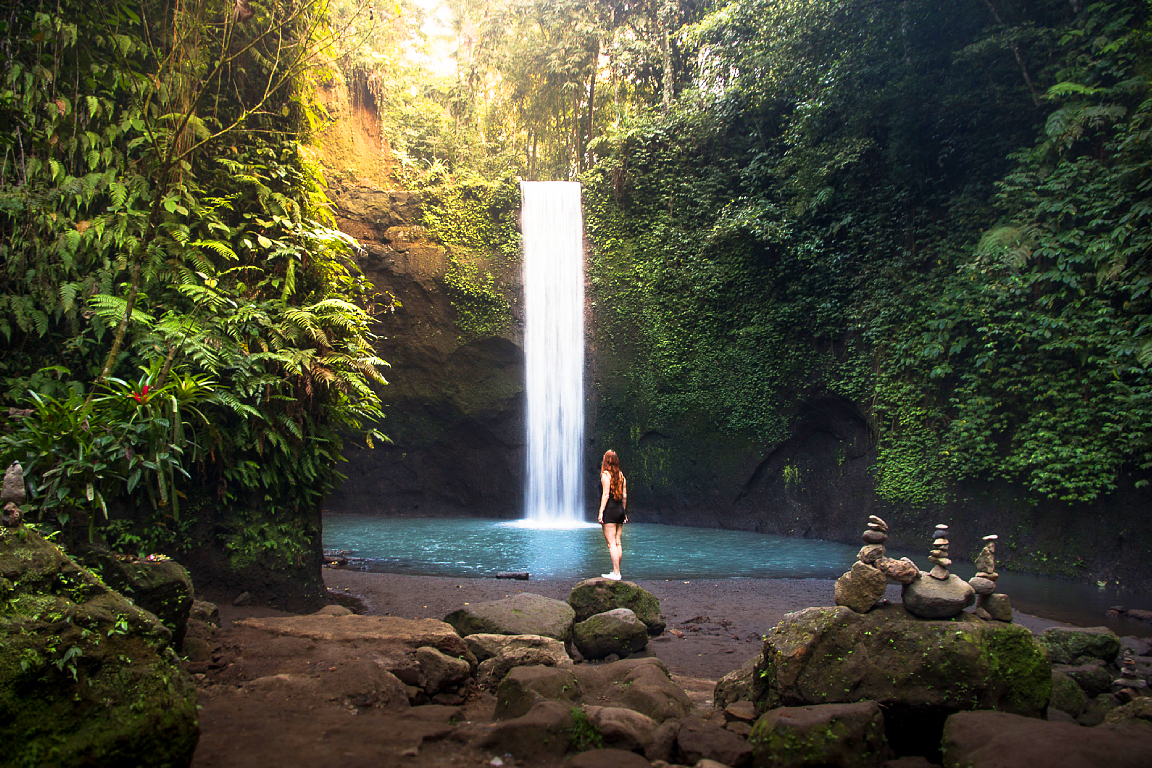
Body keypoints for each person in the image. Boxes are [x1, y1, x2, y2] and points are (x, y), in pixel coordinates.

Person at [597, 449, 628, 580]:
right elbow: (624, 496)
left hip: (610, 509)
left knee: (611, 544)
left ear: (606, 460)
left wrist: (601, 512)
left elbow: (605, 494)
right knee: (617, 542)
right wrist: (624, 512)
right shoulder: (621, 475)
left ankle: (616, 573)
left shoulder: (605, 475)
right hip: (620, 509)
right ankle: (616, 571)